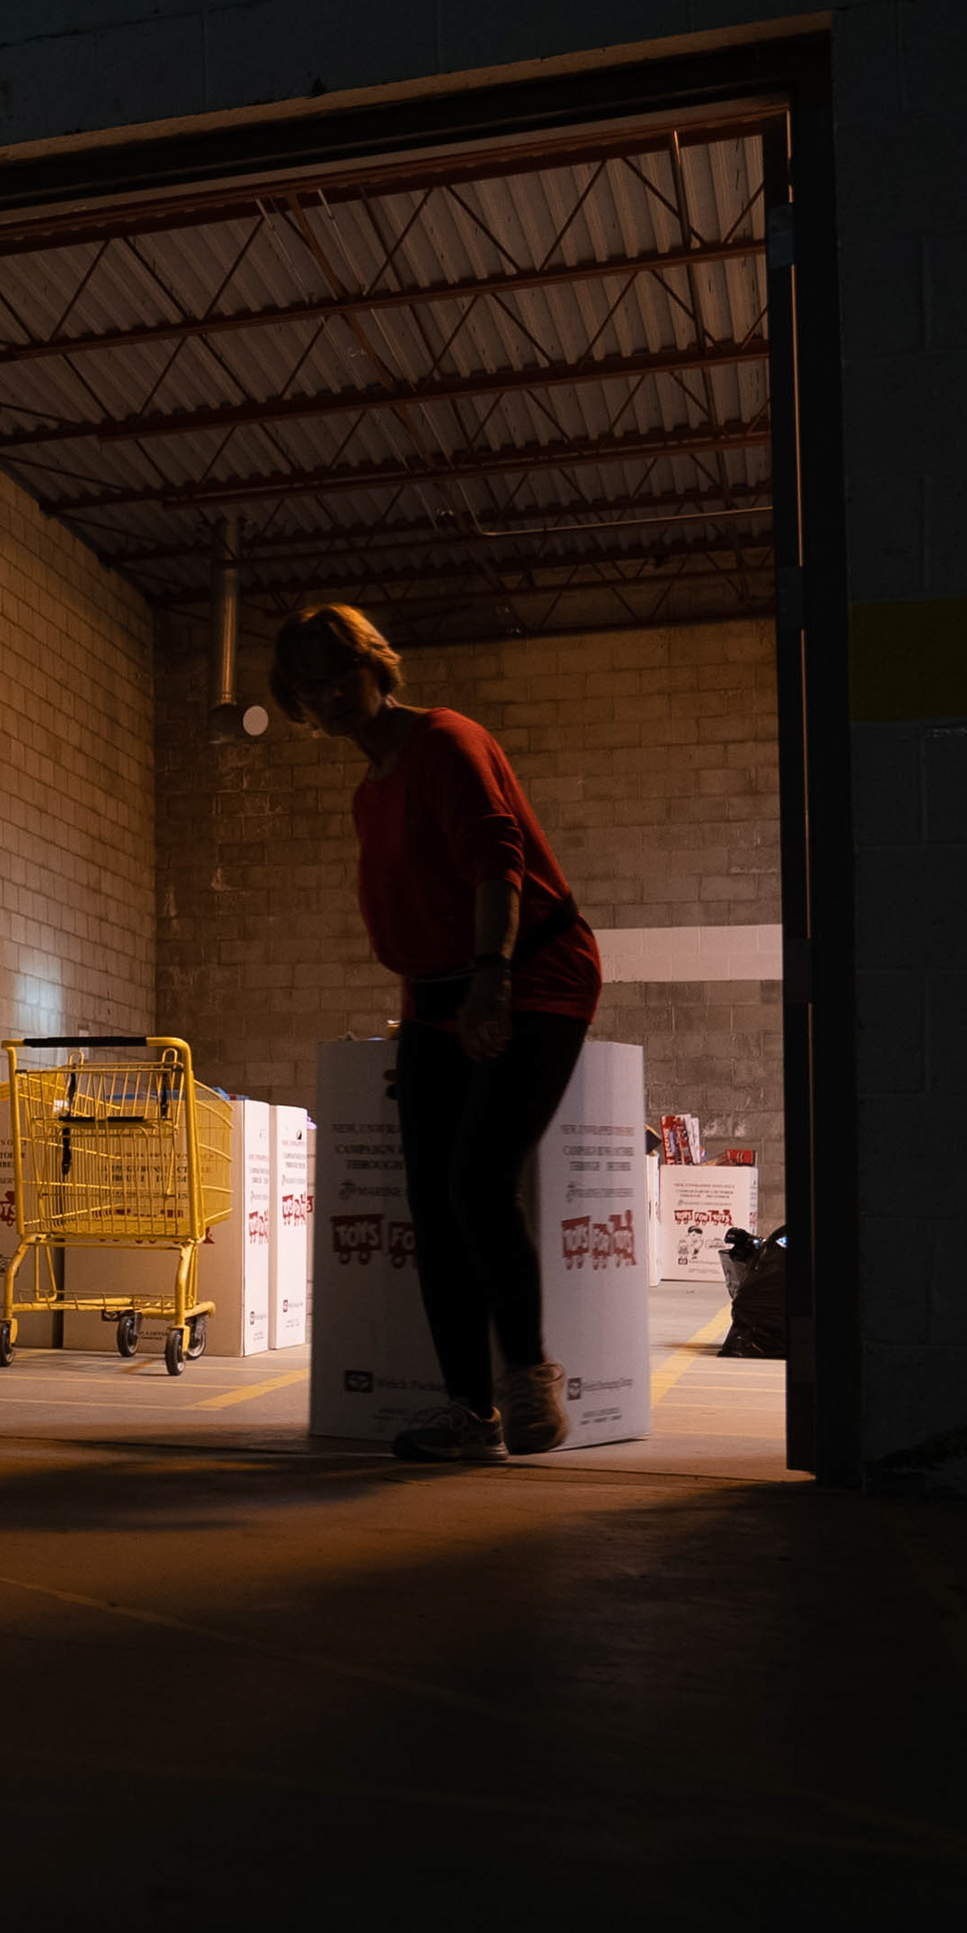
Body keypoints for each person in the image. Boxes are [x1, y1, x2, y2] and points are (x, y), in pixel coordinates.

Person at [272, 604, 602, 1462]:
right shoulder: (368, 790)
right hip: (436, 995)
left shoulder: (446, 742)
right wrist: (428, 1024)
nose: (332, 694)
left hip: (531, 970)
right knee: (431, 1201)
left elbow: (500, 863)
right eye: (311, 685)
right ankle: (470, 1412)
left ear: (378, 666)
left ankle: (528, 1383)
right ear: (298, 702)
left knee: (479, 1181)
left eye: (343, 673)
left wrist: (492, 978)